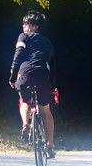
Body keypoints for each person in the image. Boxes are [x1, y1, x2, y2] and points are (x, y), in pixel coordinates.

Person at [9, 9, 58, 157]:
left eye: (28, 23)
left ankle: (25, 124)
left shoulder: (23, 37)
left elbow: (18, 55)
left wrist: (12, 75)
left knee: (25, 102)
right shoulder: (48, 43)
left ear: (36, 26)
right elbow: (53, 65)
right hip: (43, 76)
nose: (24, 26)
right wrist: (53, 85)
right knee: (45, 111)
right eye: (23, 24)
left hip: (24, 75)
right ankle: (50, 146)